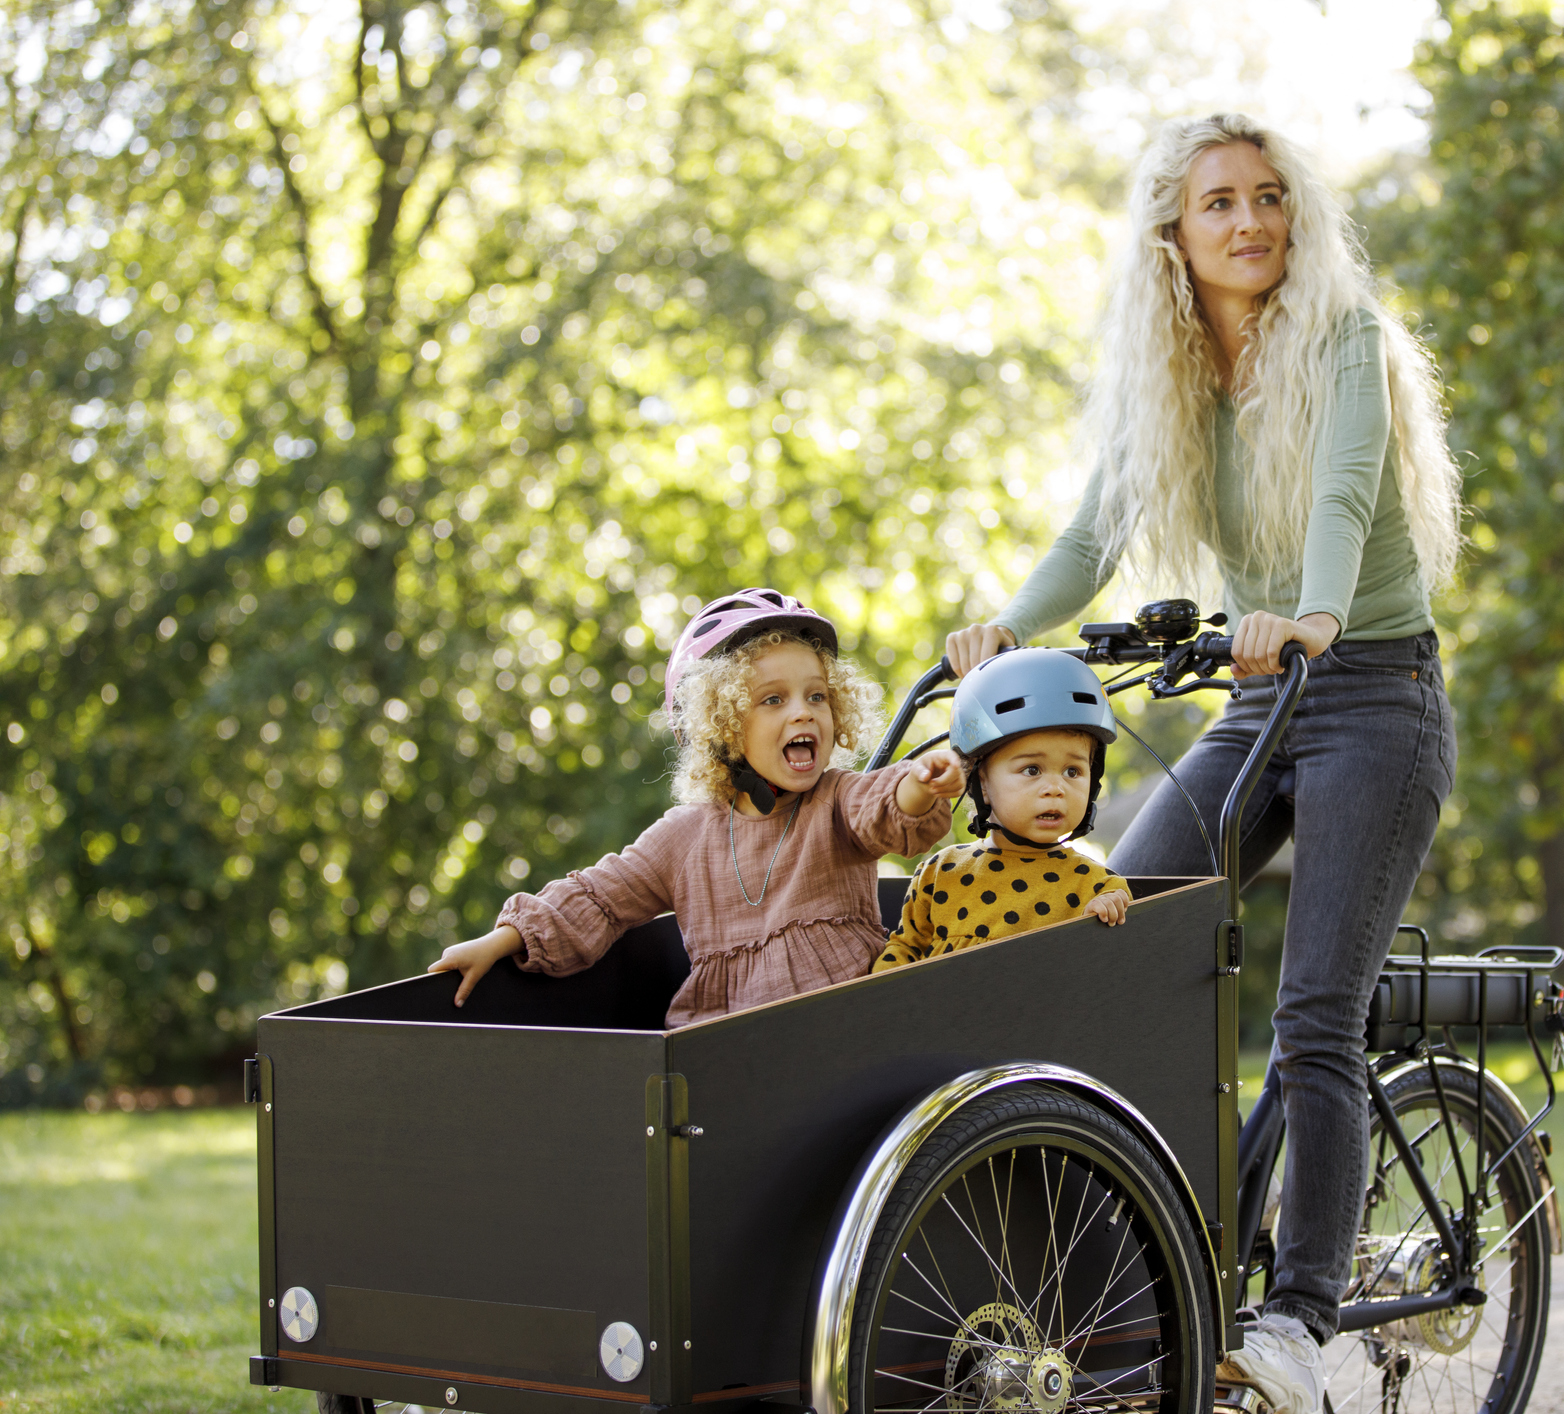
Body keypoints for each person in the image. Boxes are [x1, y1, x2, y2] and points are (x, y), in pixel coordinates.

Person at [944, 114, 1461, 1414]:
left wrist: (1316, 613)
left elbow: (1343, 494)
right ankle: (1184, 1249)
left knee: (1312, 1013)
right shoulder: (1171, 373)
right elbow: (1095, 531)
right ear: (1171, 233)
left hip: (1375, 691)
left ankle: (1296, 1318)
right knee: (1111, 928)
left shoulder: (1342, 336)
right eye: (1219, 202)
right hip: (1261, 693)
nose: (1250, 221)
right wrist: (1007, 627)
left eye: (1268, 196)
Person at [430, 588, 964, 1025]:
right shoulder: (687, 836)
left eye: (817, 696)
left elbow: (882, 806)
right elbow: (599, 897)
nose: (803, 712)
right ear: (722, 727)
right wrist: (502, 941)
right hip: (722, 1046)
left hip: (843, 1024)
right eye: (773, 699)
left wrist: (919, 785)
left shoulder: (837, 798)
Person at [873, 649, 1129, 969]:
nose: (1056, 788)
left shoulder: (1097, 886)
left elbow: (1106, 970)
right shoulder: (941, 872)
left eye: (1073, 771)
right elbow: (905, 948)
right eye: (1032, 770)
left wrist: (1104, 917)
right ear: (981, 782)